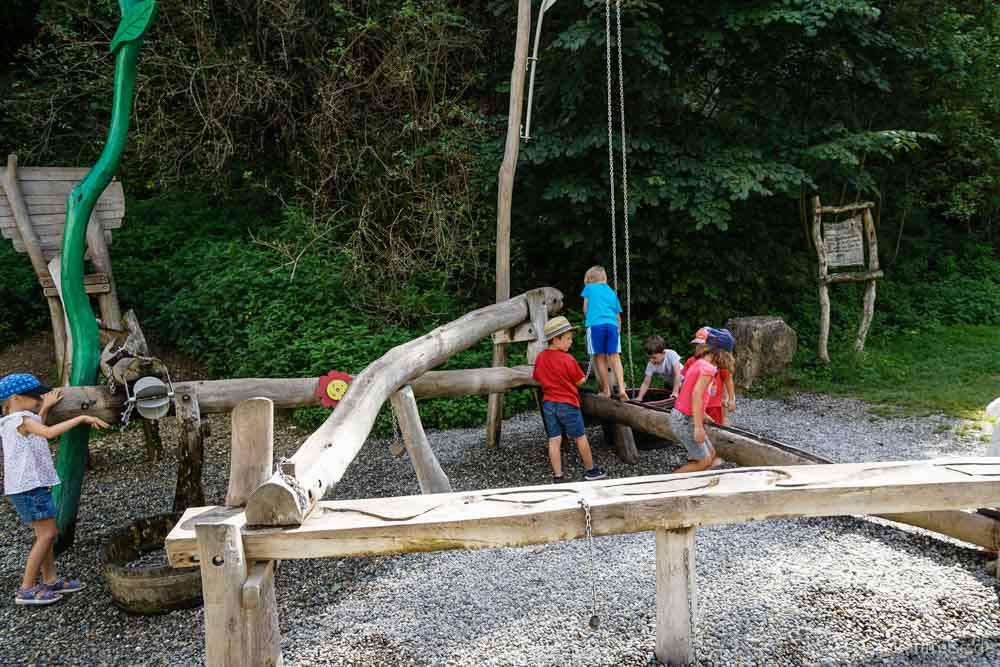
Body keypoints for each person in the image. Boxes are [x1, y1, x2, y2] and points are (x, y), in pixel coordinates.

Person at [0, 373, 109, 605]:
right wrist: (82, 418)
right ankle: (26, 589)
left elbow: (37, 426)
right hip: (29, 488)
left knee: (45, 535)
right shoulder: (21, 419)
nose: (40, 399)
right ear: (17, 398)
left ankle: (50, 579)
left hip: (29, 486)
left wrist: (45, 409)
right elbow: (48, 432)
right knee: (48, 534)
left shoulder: (16, 419)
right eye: (36, 397)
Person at [532, 316, 608, 483]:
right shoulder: (568, 359)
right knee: (580, 437)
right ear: (555, 339)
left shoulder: (540, 358)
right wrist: (585, 376)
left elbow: (537, 377)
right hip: (567, 404)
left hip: (549, 404)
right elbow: (580, 381)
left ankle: (558, 476)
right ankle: (591, 470)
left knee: (554, 439)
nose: (570, 342)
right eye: (567, 338)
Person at [669, 328, 735, 474]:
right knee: (704, 461)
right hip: (684, 420)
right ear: (721, 353)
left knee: (711, 455)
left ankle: (694, 482)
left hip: (684, 417)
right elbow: (696, 394)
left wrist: (703, 415)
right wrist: (699, 428)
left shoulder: (699, 363)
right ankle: (669, 483)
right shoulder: (708, 369)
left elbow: (688, 393)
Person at [581, 265, 629, 401]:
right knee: (615, 357)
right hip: (612, 326)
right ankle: (621, 389)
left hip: (596, 325)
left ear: (590, 279)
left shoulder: (589, 288)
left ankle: (606, 390)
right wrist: (618, 329)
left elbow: (585, 308)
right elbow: (618, 316)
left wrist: (589, 318)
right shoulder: (612, 293)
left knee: (600, 358)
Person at [683, 327, 737, 426]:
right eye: (697, 344)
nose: (699, 347)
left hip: (714, 404)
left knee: (715, 428)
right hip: (696, 403)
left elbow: (728, 380)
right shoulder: (691, 361)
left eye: (702, 344)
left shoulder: (720, 363)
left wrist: (731, 399)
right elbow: (686, 383)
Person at [635, 335, 683, 402]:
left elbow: (677, 374)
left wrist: (675, 392)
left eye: (654, 357)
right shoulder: (651, 364)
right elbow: (646, 383)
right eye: (649, 358)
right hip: (669, 383)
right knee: (669, 399)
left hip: (683, 380)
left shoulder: (671, 354)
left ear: (663, 353)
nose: (651, 360)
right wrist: (639, 397)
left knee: (682, 399)